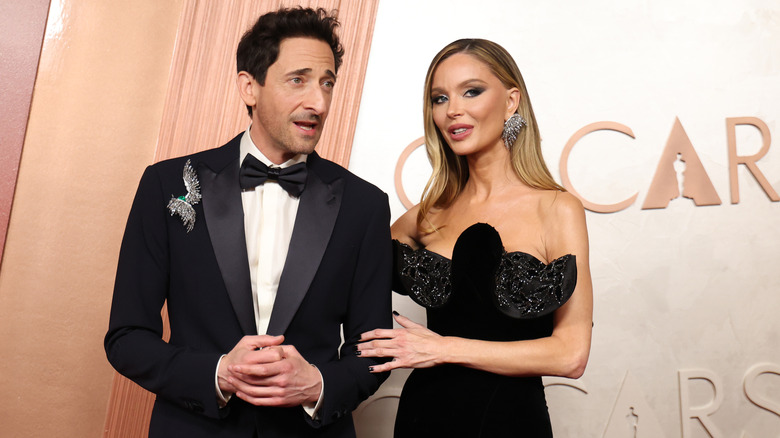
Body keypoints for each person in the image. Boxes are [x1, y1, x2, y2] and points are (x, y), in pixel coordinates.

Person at [104, 8, 392, 438]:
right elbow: (126, 337)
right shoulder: (167, 183)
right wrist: (218, 373)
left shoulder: (365, 205)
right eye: (298, 80)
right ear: (249, 86)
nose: (319, 102)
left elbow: (372, 351)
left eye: (327, 83)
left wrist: (318, 385)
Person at [357, 39, 593, 437]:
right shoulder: (426, 216)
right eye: (439, 98)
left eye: (472, 91)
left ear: (511, 100)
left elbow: (570, 354)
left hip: (510, 422)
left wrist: (443, 348)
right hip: (423, 418)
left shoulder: (556, 209)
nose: (453, 110)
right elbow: (346, 277)